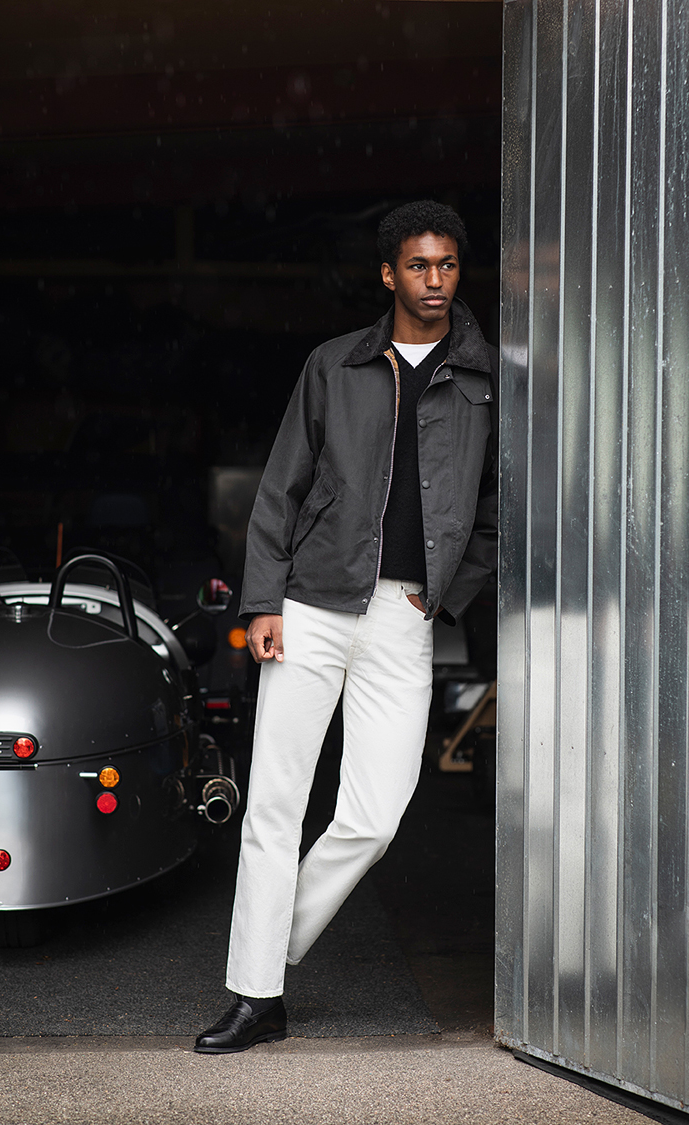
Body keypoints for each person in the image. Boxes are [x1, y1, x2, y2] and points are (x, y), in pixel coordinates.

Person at [194, 200, 498, 1054]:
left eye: (447, 264)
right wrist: (263, 600)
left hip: (405, 615)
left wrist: (449, 592)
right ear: (388, 273)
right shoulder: (334, 365)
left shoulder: (485, 379)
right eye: (419, 265)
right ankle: (257, 995)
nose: (435, 280)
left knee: (375, 814)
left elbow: (494, 509)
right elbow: (281, 487)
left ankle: (267, 945)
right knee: (276, 803)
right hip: (311, 606)